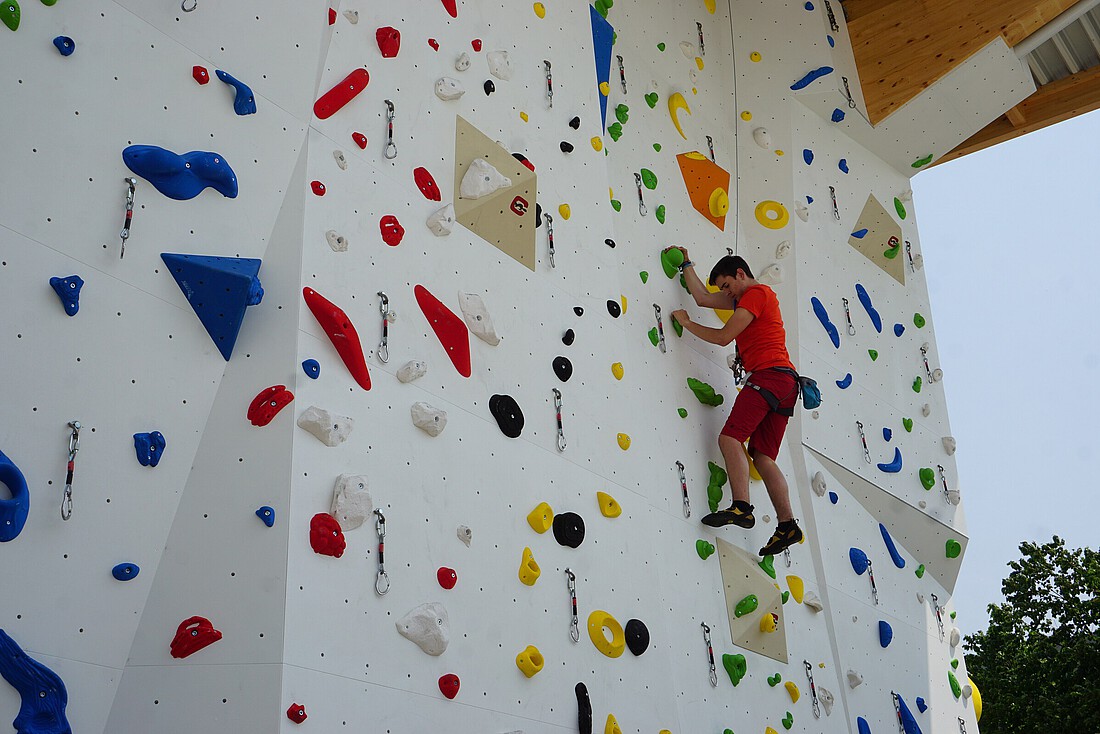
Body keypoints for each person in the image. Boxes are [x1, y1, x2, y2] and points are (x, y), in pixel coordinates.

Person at [668, 248, 804, 556]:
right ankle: (787, 525)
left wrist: (687, 324)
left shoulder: (755, 293)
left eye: (727, 285)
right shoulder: (742, 298)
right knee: (762, 457)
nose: (726, 293)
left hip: (768, 376)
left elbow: (722, 337)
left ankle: (742, 506)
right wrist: (688, 262)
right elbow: (703, 297)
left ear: (740, 274)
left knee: (730, 439)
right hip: (786, 383)